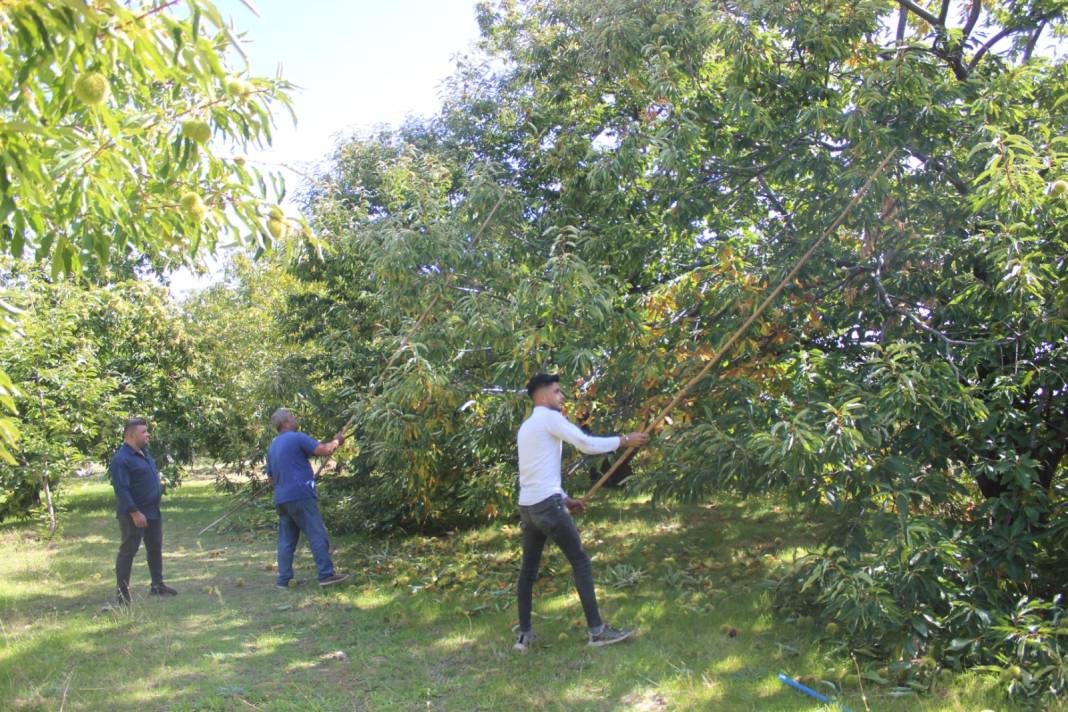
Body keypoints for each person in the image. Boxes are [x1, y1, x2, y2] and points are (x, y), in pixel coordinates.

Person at [513, 373, 650, 652]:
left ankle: (524, 636)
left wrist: (565, 498)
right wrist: (625, 440)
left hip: (529, 507)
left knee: (528, 571)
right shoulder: (549, 419)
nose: (562, 397)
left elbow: (536, 470)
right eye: (557, 392)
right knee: (581, 562)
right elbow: (585, 444)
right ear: (541, 396)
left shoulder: (527, 427)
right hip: (546, 506)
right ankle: (597, 634)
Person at [266, 408, 350, 588]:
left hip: (282, 499)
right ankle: (326, 575)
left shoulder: (273, 446)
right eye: (291, 416)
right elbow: (323, 450)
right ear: (285, 423)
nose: (295, 418)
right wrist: (337, 441)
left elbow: (271, 478)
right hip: (300, 495)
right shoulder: (297, 437)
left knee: (286, 540)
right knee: (317, 533)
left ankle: (283, 580)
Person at [110, 417, 177, 605]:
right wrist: (134, 512)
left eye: (147, 431)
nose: (147, 434)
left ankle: (158, 586)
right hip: (134, 514)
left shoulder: (145, 454)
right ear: (130, 435)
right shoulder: (122, 459)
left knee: (155, 548)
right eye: (143, 432)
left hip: (152, 511)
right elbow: (121, 489)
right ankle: (122, 596)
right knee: (128, 552)